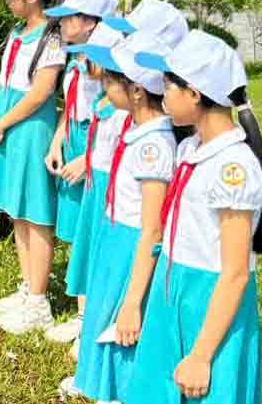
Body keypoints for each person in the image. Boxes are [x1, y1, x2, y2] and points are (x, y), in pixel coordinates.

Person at [124, 31, 262, 404]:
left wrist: (201, 355)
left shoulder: (233, 167)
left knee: (204, 388)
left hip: (209, 300)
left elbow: (236, 272)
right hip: (173, 284)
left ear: (194, 94)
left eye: (168, 86)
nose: (162, 94)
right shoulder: (192, 148)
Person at [56, 31, 176, 403]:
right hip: (115, 234)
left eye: (111, 82)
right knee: (101, 308)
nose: (105, 88)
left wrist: (134, 300)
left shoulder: (155, 147)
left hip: (132, 243)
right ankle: (96, 381)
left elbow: (152, 229)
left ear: (137, 91)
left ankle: (120, 392)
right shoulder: (138, 129)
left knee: (121, 320)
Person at [0, 0, 65, 334]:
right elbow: (3, 81)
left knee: (37, 213)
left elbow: (41, 93)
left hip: (31, 128)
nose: (8, 2)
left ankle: (39, 300)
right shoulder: (16, 33)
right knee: (18, 210)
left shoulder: (52, 37)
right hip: (9, 124)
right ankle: (27, 285)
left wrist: (3, 121)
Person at [36, 0, 119, 345]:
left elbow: (118, 115)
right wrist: (58, 141)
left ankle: (99, 317)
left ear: (90, 22)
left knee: (97, 234)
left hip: (97, 152)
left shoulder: (111, 64)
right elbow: (70, 107)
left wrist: (89, 158)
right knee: (76, 233)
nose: (61, 26)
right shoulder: (74, 58)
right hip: (73, 142)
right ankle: (85, 314)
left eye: (67, 19)